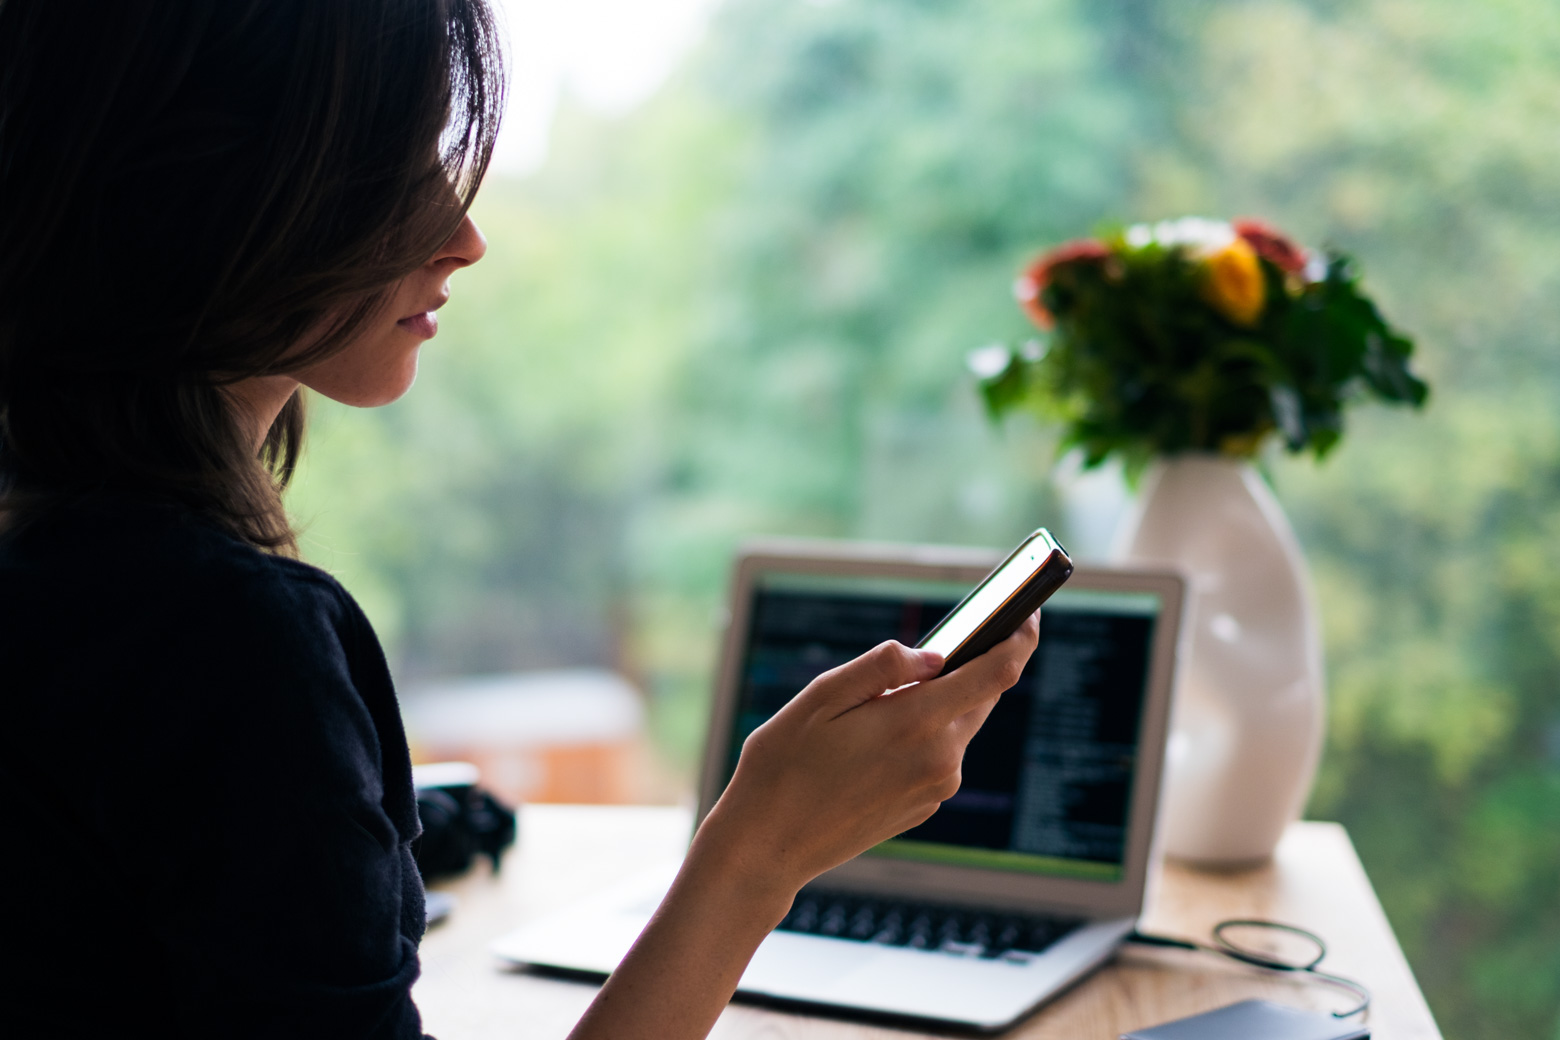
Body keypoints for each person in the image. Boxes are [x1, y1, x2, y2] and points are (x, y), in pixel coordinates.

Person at [0, 2, 1039, 1038]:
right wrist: (760, 849)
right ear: (213, 198)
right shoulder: (221, 639)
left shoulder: (62, 562)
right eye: (393, 179)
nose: (464, 237)